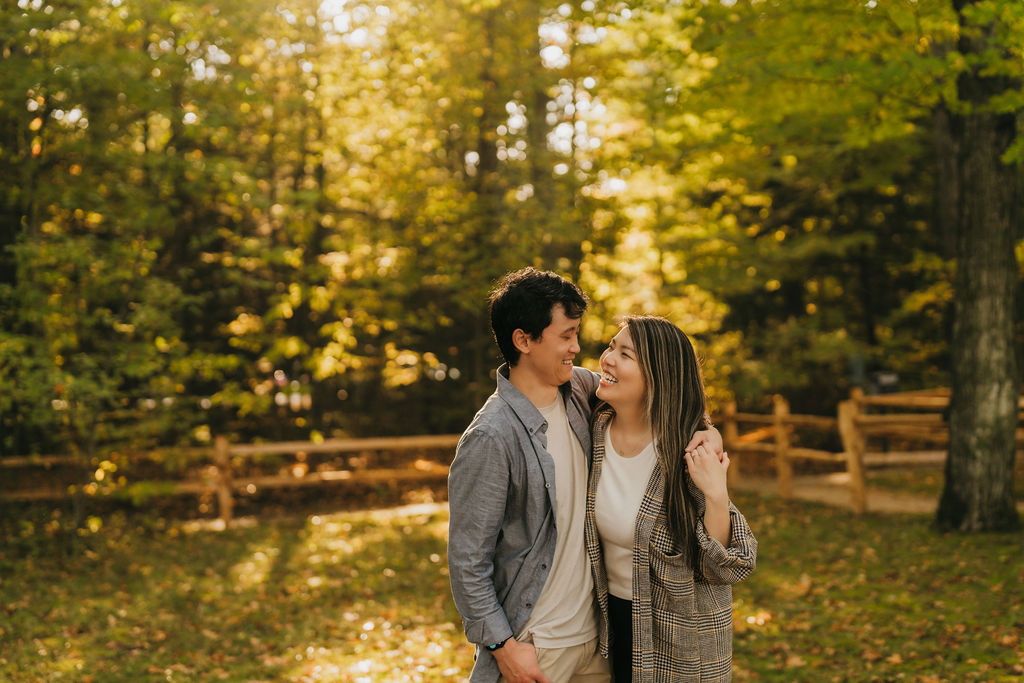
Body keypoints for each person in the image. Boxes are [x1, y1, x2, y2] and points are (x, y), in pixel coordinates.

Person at [448, 269, 723, 683]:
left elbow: (660, 391)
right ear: (524, 341)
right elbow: (468, 561)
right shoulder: (491, 437)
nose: (577, 348)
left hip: (598, 643)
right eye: (566, 336)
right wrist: (501, 646)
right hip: (538, 647)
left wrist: (708, 431)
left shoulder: (581, 393)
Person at [584, 315, 757, 682]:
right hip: (611, 624)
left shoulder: (687, 448)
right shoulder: (593, 429)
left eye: (625, 354)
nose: (607, 358)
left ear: (658, 374)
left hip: (682, 642)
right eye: (611, 346)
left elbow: (726, 567)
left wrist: (715, 492)